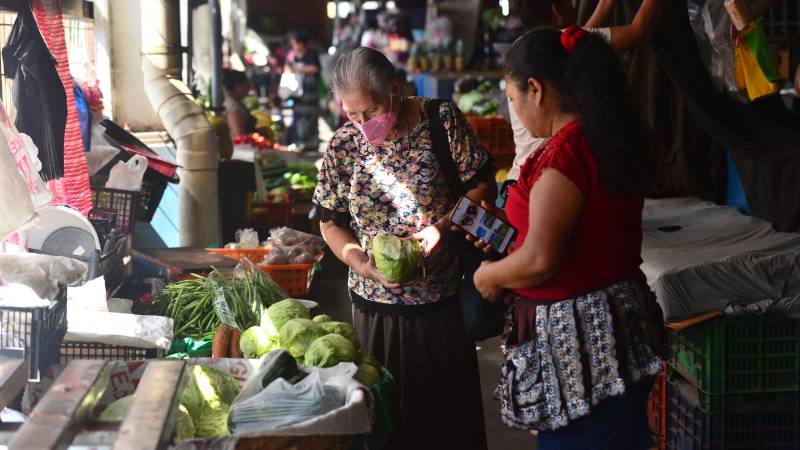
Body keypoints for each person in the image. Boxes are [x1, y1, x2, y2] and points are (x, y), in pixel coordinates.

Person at [472, 27, 664, 449]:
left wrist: (490, 276)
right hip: (611, 332)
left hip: (584, 350)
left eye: (512, 97)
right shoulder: (597, 136)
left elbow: (541, 258)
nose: (514, 111)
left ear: (536, 89)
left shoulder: (568, 154)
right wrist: (511, 234)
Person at [311, 47, 494, 450]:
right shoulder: (344, 146)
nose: (364, 124)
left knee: (442, 420)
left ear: (395, 89)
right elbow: (330, 221)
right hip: (375, 308)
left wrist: (444, 228)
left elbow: (482, 185)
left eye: (372, 111)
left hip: (440, 304)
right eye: (353, 116)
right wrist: (359, 261)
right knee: (387, 421)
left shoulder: (440, 121)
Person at [506, 0, 659, 181]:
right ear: (557, 8)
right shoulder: (559, 43)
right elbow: (639, 30)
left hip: (517, 177)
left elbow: (581, 42)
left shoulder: (522, 48)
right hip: (540, 179)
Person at [285, 32, 320, 151]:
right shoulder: (291, 55)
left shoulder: (311, 54)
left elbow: (315, 68)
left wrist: (298, 68)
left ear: (301, 43)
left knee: (312, 117)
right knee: (298, 117)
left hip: (310, 92)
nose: (293, 46)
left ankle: (312, 143)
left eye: (294, 43)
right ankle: (300, 142)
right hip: (297, 93)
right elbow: (287, 69)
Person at [222, 69, 257, 137]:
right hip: (240, 147)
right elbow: (239, 134)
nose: (249, 88)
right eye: (247, 84)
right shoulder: (232, 106)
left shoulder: (236, 103)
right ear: (237, 86)